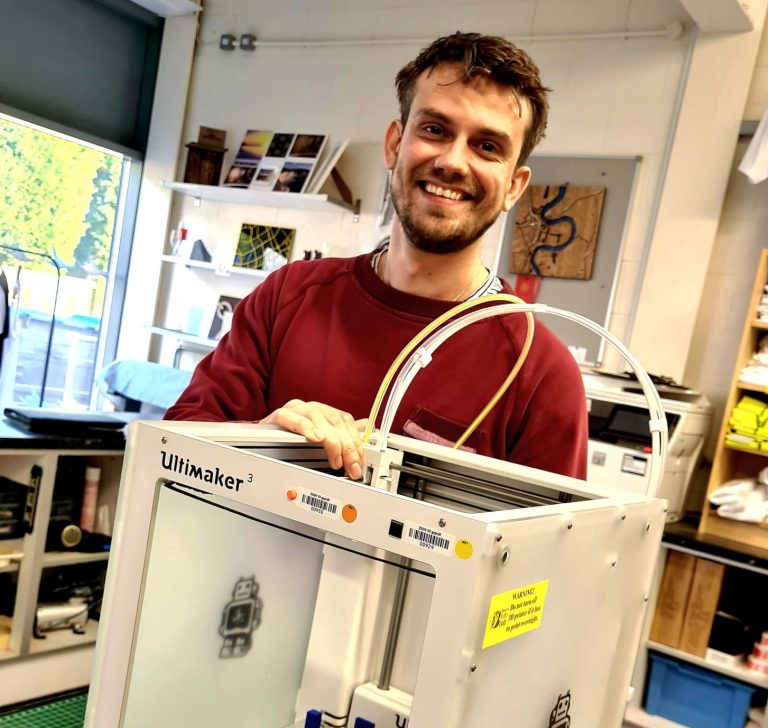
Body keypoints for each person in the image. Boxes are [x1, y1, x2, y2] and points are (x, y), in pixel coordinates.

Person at [166, 32, 588, 481]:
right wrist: (260, 437)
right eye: (434, 129)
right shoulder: (287, 298)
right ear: (394, 144)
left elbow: (549, 547)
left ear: (514, 186)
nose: (453, 162)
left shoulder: (539, 372)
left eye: (487, 146)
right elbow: (175, 448)